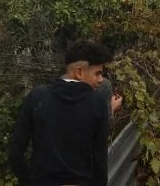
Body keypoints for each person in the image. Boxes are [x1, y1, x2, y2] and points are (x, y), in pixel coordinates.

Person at [8, 39, 112, 186]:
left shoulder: (37, 96)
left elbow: (15, 153)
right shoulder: (97, 103)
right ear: (79, 72)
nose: (101, 80)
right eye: (98, 73)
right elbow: (100, 160)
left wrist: (28, 181)